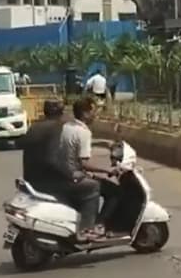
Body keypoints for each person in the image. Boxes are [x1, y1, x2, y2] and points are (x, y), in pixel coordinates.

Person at [22, 100, 100, 237]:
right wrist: (71, 174)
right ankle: (86, 230)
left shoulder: (34, 127)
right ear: (61, 112)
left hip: (31, 178)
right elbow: (51, 160)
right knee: (92, 187)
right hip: (48, 181)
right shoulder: (56, 128)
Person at [56, 97, 118, 236]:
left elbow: (75, 147)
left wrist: (103, 143)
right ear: (85, 113)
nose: (95, 115)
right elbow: (84, 163)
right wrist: (108, 170)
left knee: (96, 181)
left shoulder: (67, 127)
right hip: (74, 177)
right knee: (113, 191)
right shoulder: (84, 132)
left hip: (64, 174)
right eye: (93, 111)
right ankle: (94, 226)